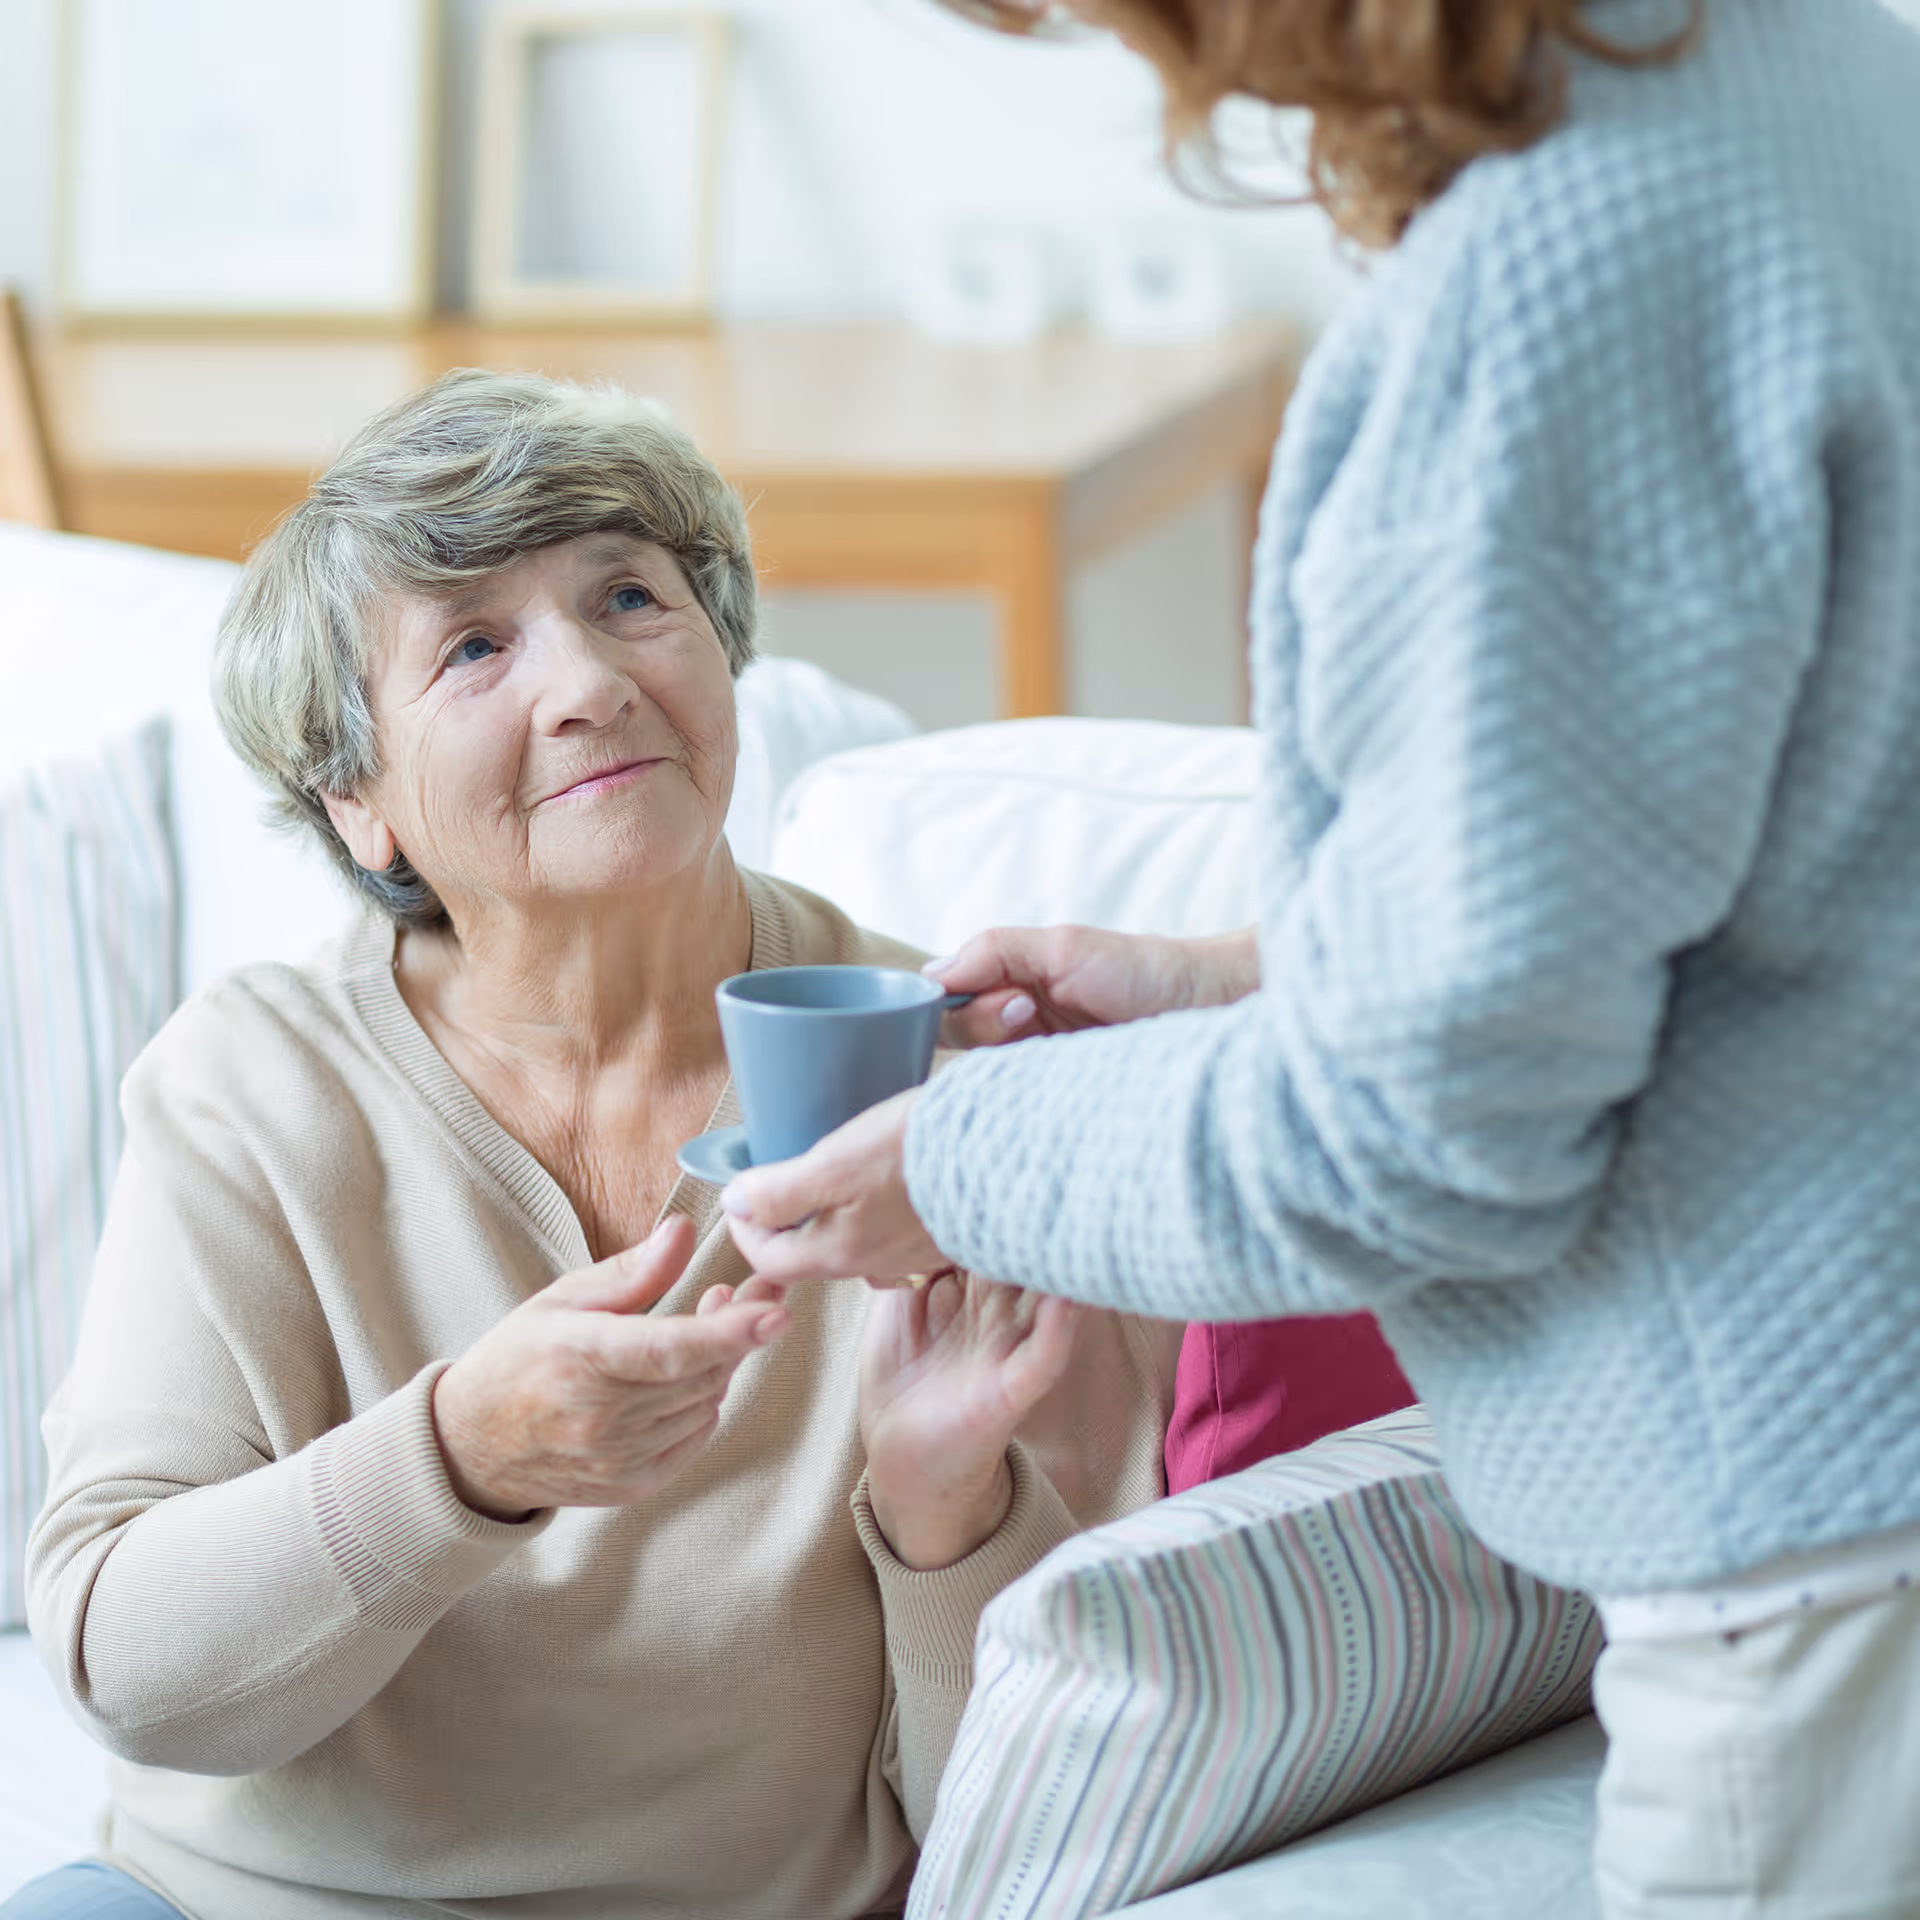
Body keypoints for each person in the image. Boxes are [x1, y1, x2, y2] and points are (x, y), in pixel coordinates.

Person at [722, 0, 1920, 1913]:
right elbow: (1753, 855)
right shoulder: (1827, 76)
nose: (1162, 74)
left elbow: (1421, 1140)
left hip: (1819, 1539)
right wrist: (1243, 983)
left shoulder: (1556, 286)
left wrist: (955, 1161)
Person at [11, 370, 1174, 1920]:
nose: (588, 684)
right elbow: (127, 1670)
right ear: (358, 803)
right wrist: (457, 1461)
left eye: (628, 596)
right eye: (473, 646)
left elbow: (1042, 1818)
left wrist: (943, 1506)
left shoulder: (950, 1076)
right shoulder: (252, 1085)